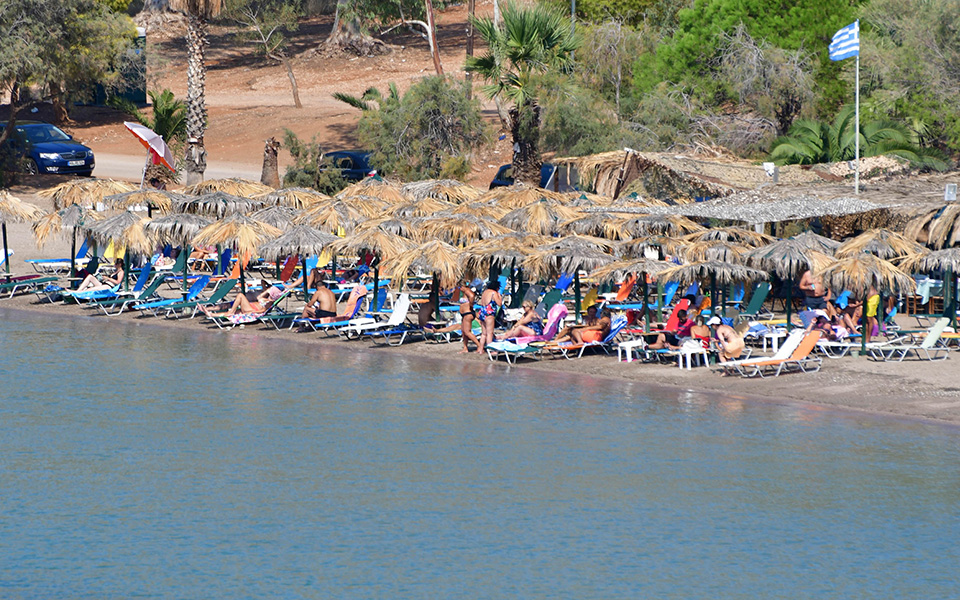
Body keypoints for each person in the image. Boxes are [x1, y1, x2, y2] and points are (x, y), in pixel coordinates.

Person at [202, 283, 284, 317]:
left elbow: (263, 310)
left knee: (240, 295)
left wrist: (254, 312)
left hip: (252, 309)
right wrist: (267, 291)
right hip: (250, 307)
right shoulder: (266, 298)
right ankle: (211, 314)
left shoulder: (270, 302)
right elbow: (259, 297)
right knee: (232, 313)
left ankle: (231, 311)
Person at [476, 281, 502, 351]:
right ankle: (491, 350)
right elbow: (499, 303)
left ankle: (480, 349)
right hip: (489, 313)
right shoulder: (494, 293)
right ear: (497, 288)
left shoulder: (485, 292)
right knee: (489, 333)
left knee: (483, 333)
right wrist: (499, 296)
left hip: (482, 312)